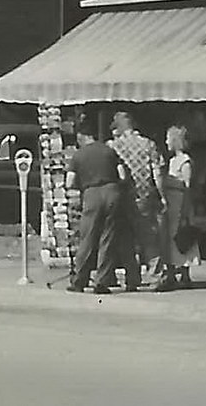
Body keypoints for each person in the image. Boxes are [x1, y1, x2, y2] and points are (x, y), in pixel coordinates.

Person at [66, 118, 126, 294]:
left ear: (82, 136)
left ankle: (79, 280)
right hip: (112, 191)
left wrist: (82, 185)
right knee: (107, 238)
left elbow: (69, 182)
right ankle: (102, 282)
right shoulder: (109, 150)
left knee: (88, 238)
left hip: (91, 193)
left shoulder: (78, 155)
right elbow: (122, 176)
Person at [109, 111, 167, 289]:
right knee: (149, 237)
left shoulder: (113, 146)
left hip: (122, 196)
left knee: (126, 238)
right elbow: (157, 173)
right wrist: (163, 196)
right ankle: (155, 276)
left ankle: (132, 277)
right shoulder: (148, 144)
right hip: (144, 196)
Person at [157, 125, 201, 290]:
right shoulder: (171, 161)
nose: (166, 142)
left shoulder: (185, 161)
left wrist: (186, 210)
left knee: (181, 236)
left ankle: (184, 272)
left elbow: (187, 187)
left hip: (181, 202)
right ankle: (172, 271)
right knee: (171, 237)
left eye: (168, 139)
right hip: (171, 203)